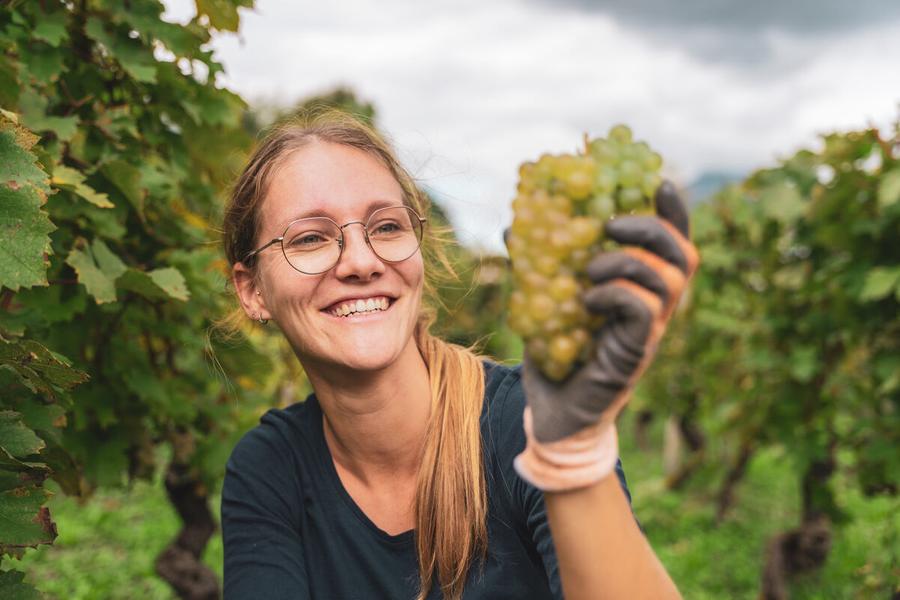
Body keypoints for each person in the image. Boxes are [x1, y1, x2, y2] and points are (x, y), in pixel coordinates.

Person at [220, 111, 699, 600]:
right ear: (252, 289)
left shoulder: (523, 424)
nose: (363, 262)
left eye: (386, 227)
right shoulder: (270, 468)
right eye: (309, 238)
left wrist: (572, 456)